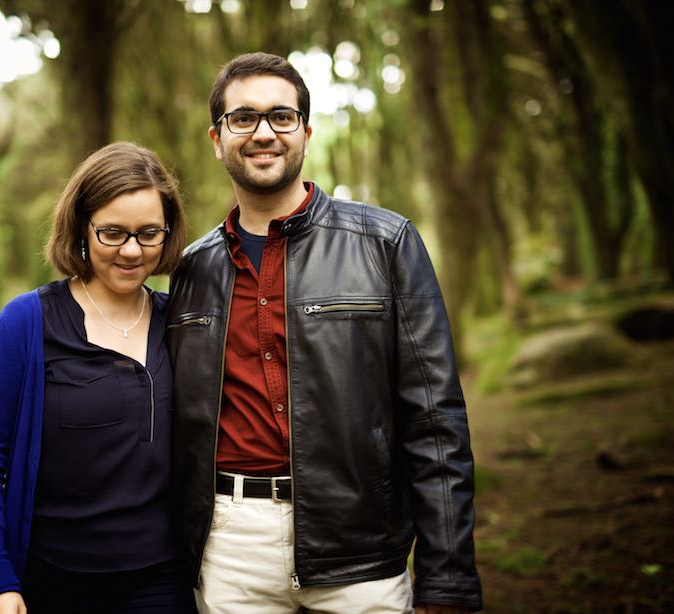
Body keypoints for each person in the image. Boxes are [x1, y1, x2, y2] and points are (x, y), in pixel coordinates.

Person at [167, 52, 482, 613]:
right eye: (243, 118)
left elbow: (435, 420)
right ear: (217, 139)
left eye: (281, 117)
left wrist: (447, 577)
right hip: (231, 550)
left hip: (361, 545)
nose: (263, 132)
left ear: (306, 134)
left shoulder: (386, 243)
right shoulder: (193, 268)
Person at [0, 142, 195, 613]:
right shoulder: (26, 323)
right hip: (52, 580)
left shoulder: (182, 325)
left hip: (162, 581)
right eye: (112, 233)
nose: (131, 250)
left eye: (149, 233)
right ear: (81, 229)